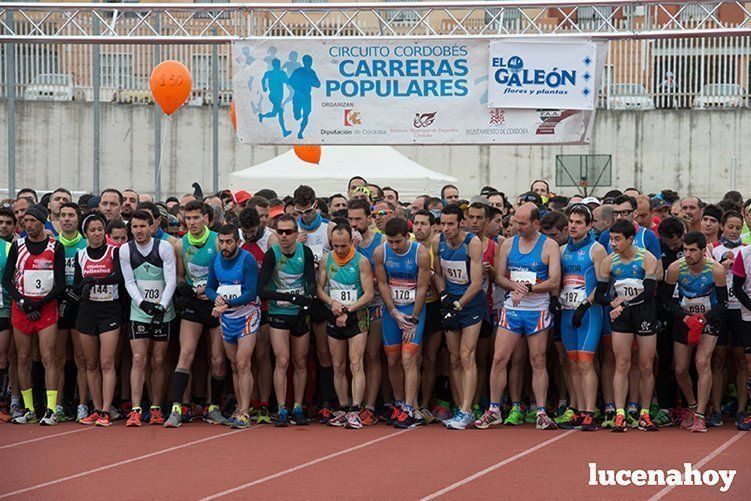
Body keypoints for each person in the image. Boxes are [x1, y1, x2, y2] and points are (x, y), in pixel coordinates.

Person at [477, 203, 560, 430]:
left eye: (522, 223)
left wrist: (529, 288)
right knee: (499, 358)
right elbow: (499, 277)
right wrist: (514, 285)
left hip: (537, 311)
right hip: (512, 310)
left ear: (535, 223)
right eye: (515, 222)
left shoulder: (549, 246)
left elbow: (554, 281)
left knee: (538, 360)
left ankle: (541, 411)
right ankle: (494, 409)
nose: (517, 227)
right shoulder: (508, 244)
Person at [165, 201, 228, 427]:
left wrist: (211, 291)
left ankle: (214, 407)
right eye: (188, 219)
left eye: (196, 218)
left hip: (215, 304)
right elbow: (181, 276)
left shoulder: (218, 242)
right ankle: (177, 408)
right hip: (194, 304)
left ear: (206, 219)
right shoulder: (180, 246)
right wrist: (189, 290)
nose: (192, 223)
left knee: (218, 359)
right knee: (186, 354)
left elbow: (227, 273)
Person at [595, 220, 660, 432]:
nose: (612, 243)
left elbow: (649, 291)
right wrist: (613, 303)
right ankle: (619, 414)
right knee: (621, 363)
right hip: (621, 315)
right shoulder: (609, 261)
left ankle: (644, 414)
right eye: (611, 239)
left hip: (644, 313)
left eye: (617, 239)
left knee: (646, 365)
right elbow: (600, 294)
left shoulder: (646, 258)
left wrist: (623, 304)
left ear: (630, 239)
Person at [4, 205, 66, 425]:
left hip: (45, 309)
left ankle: (50, 409)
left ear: (43, 222)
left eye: (33, 221)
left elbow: (61, 284)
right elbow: (6, 281)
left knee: (48, 357)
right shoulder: (17, 246)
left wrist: (39, 303)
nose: (28, 225)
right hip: (22, 309)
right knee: (23, 357)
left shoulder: (55, 246)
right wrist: (24, 302)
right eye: (26, 221)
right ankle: (28, 408)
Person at [662, 231, 727, 433]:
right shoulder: (675, 268)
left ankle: (700, 415)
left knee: (702, 361)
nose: (687, 254)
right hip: (685, 318)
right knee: (680, 369)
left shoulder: (716, 270)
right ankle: (691, 405)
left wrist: (703, 319)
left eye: (692, 250)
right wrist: (685, 318)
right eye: (685, 250)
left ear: (702, 250)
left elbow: (723, 303)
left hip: (709, 318)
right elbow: (665, 300)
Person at [257, 215, 316, 427]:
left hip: (299, 314)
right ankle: (282, 408)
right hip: (278, 313)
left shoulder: (305, 252)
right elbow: (261, 290)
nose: (284, 236)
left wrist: (305, 300)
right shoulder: (271, 254)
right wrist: (289, 297)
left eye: (288, 232)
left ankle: (298, 407)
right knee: (282, 360)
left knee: (300, 362)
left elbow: (311, 282)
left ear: (295, 233)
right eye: (280, 232)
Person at [119, 210, 177, 427]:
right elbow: (129, 281)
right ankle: (135, 409)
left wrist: (162, 304)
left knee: (159, 360)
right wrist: (142, 302)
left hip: (163, 309)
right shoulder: (126, 250)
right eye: (134, 227)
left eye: (143, 226)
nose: (138, 231)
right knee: (138, 358)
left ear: (151, 227)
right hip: (139, 310)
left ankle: (155, 407)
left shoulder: (164, 247)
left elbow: (170, 279)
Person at [432, 204, 486, 430]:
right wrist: (444, 296)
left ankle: (467, 409)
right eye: (443, 223)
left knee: (467, 354)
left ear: (461, 223)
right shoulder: (438, 242)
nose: (446, 228)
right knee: (453, 357)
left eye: (451, 224)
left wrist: (457, 305)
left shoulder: (472, 243)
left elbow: (476, 283)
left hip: (470, 303)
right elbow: (438, 274)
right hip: (451, 301)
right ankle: (458, 406)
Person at [316, 223, 374, 429]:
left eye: (343, 246)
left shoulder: (361, 262)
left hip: (356, 316)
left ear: (351, 242)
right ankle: (343, 407)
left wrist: (347, 310)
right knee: (338, 364)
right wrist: (333, 304)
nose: (339, 250)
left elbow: (369, 294)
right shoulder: (327, 259)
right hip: (334, 314)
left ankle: (355, 410)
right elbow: (320, 290)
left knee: (355, 362)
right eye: (335, 245)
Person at [375, 217, 430, 428]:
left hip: (413, 310)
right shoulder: (381, 252)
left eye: (398, 241)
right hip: (393, 311)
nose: (394, 246)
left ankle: (409, 407)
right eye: (391, 242)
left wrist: (413, 319)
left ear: (408, 236)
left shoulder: (420, 254)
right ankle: (400, 404)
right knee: (393, 359)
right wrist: (393, 311)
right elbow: (382, 283)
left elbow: (423, 288)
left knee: (409, 358)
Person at [205, 224, 261, 429]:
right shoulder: (215, 261)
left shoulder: (248, 260)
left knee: (243, 361)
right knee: (235, 365)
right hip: (227, 318)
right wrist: (216, 298)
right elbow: (210, 288)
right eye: (221, 242)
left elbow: (251, 292)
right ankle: (239, 408)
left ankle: (245, 412)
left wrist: (226, 304)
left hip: (247, 315)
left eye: (229, 241)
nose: (225, 245)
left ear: (238, 242)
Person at [557, 205, 606, 431]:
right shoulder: (561, 250)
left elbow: (603, 284)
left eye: (578, 222)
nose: (573, 226)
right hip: (567, 310)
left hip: (588, 312)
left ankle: (589, 412)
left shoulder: (597, 250)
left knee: (586, 362)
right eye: (571, 222)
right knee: (573, 363)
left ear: (589, 226)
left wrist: (585, 305)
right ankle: (577, 410)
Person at [74, 213, 123, 427]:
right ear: (85, 233)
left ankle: (106, 410)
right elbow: (76, 286)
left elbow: (120, 277)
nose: (97, 234)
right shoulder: (81, 255)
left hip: (110, 310)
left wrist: (94, 280)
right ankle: (96, 408)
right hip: (87, 311)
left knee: (106, 362)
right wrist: (84, 285)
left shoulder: (115, 252)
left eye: (100, 230)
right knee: (91, 363)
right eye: (92, 230)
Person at [293, 185, 335, 422]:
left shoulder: (328, 229)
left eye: (308, 211)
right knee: (299, 354)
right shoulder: (293, 230)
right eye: (301, 212)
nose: (305, 216)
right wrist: (295, 245)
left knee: (322, 350)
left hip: (322, 296)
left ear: (316, 205)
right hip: (298, 296)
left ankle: (326, 400)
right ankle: (303, 401)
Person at [347, 198, 385, 425]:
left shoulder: (380, 241)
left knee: (372, 356)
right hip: (352, 307)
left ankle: (369, 406)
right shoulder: (346, 241)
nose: (354, 223)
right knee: (353, 359)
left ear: (369, 218)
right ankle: (352, 403)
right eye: (350, 219)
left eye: (358, 219)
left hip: (376, 305)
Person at [239, 206, 278, 424]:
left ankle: (264, 403)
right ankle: (250, 402)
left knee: (262, 355)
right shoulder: (237, 238)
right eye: (245, 231)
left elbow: (274, 274)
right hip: (243, 308)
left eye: (252, 231)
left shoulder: (270, 241)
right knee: (246, 358)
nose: (248, 235)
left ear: (260, 225)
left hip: (264, 306)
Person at [712, 210, 747, 428]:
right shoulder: (712, 250)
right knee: (718, 360)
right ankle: (715, 410)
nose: (733, 231)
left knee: (742, 360)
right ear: (722, 227)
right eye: (730, 226)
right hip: (721, 309)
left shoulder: (746, 250)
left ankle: (742, 410)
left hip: (742, 309)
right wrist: (721, 267)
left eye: (737, 227)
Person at [55, 202, 89, 423]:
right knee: (57, 359)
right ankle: (56, 404)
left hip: (80, 306)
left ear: (78, 219)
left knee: (81, 358)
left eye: (71, 215)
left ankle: (82, 404)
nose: (66, 219)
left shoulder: (86, 245)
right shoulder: (52, 244)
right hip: (56, 305)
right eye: (63, 215)